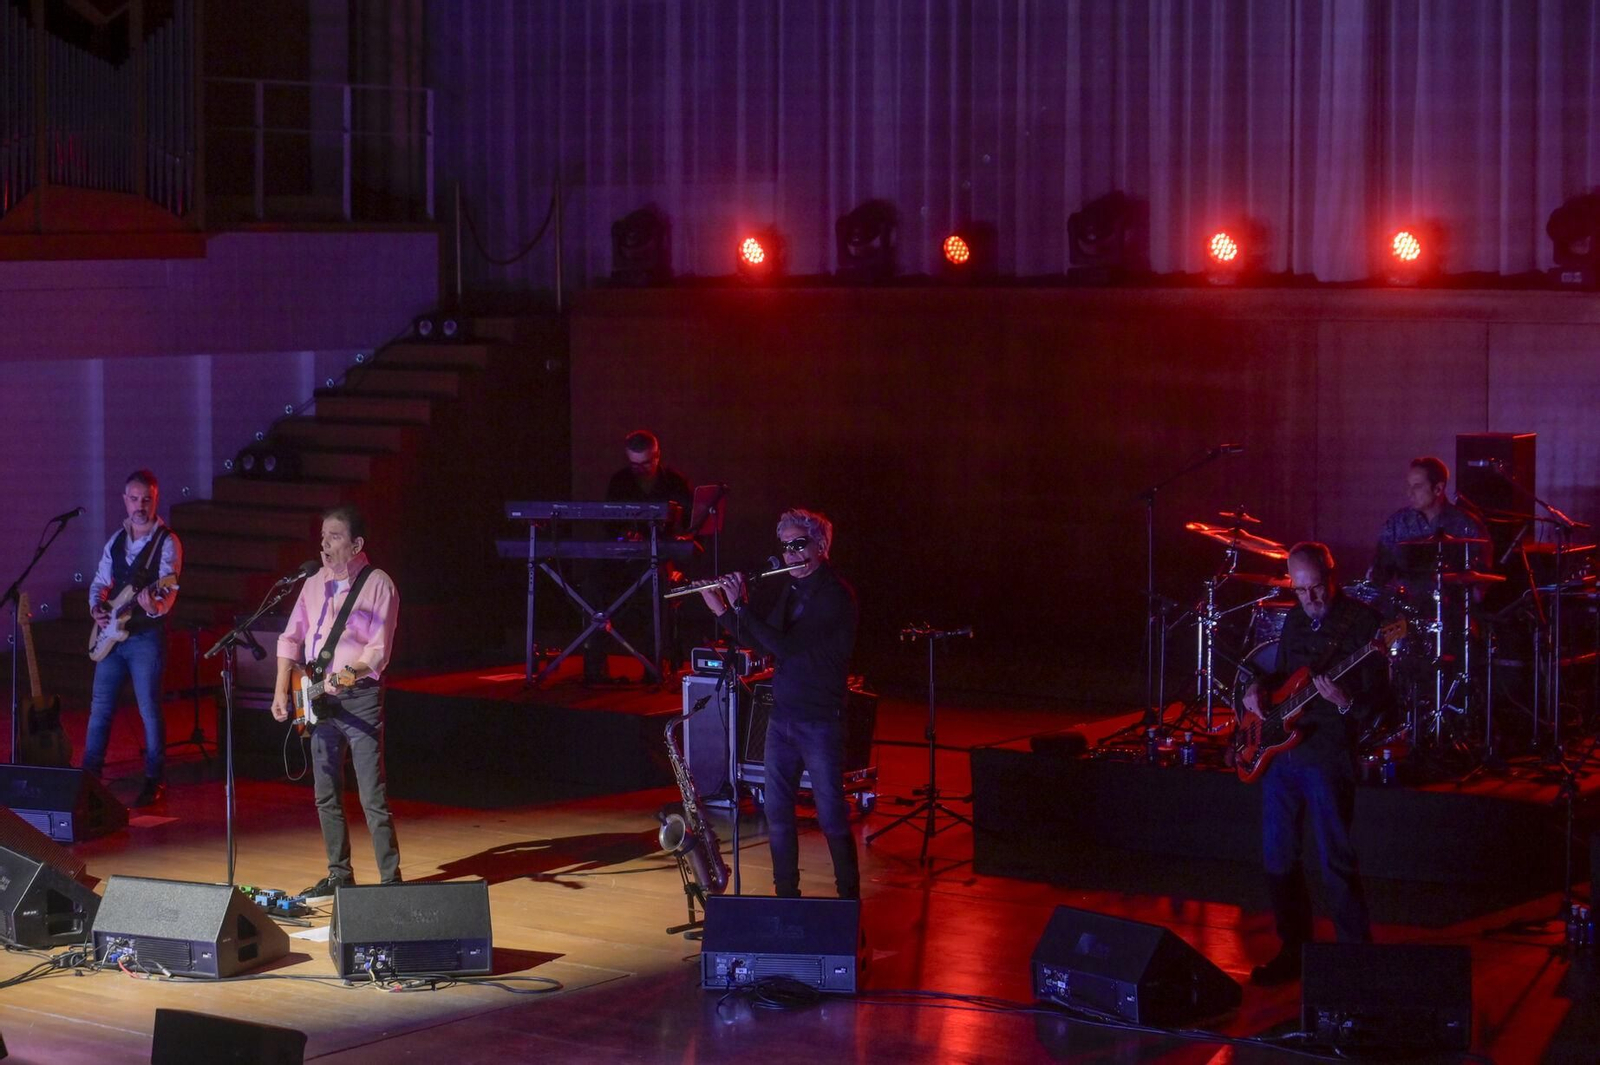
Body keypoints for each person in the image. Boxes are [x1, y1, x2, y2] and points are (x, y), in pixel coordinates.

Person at [1242, 542, 1384, 986]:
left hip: (1327, 754)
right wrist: (1255, 687)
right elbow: (1282, 675)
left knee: (1334, 858)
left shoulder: (1363, 622)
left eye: (1317, 588)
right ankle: (1294, 950)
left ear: (1331, 573)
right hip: (1282, 754)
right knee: (1278, 855)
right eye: (1301, 591)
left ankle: (1356, 962)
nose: (1311, 600)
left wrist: (1345, 703)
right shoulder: (1295, 617)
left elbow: (1382, 703)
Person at [700, 508, 860, 899]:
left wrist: (740, 606)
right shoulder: (791, 589)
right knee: (778, 815)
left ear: (820, 547)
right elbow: (762, 641)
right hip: (784, 718)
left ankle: (848, 901)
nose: (789, 554)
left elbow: (788, 645)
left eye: (797, 545)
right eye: (785, 547)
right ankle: (786, 897)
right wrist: (721, 609)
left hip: (820, 721)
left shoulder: (836, 595)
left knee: (832, 818)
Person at [272, 505, 402, 898]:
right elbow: (291, 637)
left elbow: (378, 652)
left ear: (356, 543)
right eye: (323, 535)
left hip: (357, 696)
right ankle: (339, 874)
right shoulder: (313, 582)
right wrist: (280, 688)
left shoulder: (379, 584)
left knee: (370, 793)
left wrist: (351, 674)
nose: (324, 543)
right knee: (324, 790)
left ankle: (391, 882)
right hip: (317, 698)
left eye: (334, 536)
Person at [83, 469, 182, 807]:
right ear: (125, 500)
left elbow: (169, 592)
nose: (140, 505)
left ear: (155, 500)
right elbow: (100, 581)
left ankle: (155, 779)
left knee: (149, 709)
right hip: (112, 636)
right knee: (100, 709)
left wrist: (153, 604)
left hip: (145, 638)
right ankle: (88, 778)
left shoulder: (167, 541)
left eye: (147, 499)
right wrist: (97, 606)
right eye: (135, 499)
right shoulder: (116, 539)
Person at [585, 429, 695, 682]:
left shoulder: (675, 482)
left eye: (646, 463)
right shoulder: (620, 481)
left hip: (661, 559)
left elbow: (692, 527)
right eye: (634, 464)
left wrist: (679, 547)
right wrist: (625, 536)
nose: (640, 469)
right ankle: (595, 667)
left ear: (657, 456)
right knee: (593, 584)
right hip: (624, 559)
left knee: (656, 589)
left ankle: (654, 666)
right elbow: (609, 524)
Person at [1370, 456, 1488, 588]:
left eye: (1417, 486)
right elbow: (1379, 574)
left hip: (1451, 605)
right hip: (1405, 604)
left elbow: (1481, 580)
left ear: (1438, 488)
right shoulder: (1396, 524)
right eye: (1409, 486)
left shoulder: (1467, 525)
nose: (1409, 493)